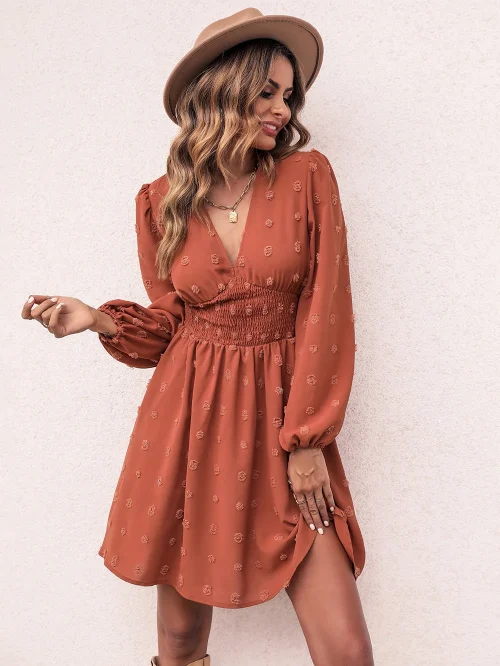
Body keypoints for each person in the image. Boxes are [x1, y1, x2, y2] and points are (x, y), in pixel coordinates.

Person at [21, 9, 373, 666]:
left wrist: (308, 441)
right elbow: (170, 324)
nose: (282, 109)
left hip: (285, 422)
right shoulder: (161, 202)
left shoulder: (307, 178)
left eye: (288, 94)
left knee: (345, 650)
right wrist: (97, 318)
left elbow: (328, 311)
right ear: (222, 91)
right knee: (180, 642)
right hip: (188, 421)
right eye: (266, 91)